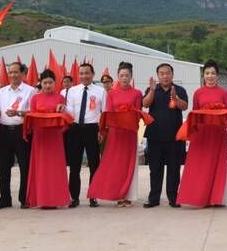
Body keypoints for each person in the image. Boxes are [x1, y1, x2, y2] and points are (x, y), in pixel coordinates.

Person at [177, 60, 227, 207]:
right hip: (202, 133)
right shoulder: (198, 93)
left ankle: (216, 198)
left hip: (217, 132)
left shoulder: (223, 93)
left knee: (216, 164)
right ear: (203, 76)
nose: (210, 76)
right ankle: (199, 197)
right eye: (207, 73)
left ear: (217, 75)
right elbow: (194, 113)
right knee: (200, 165)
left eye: (213, 73)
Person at [89, 62, 144, 207]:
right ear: (117, 77)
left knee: (129, 164)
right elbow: (109, 113)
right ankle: (118, 195)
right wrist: (106, 129)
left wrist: (128, 115)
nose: (124, 78)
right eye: (121, 76)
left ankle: (128, 195)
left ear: (131, 76)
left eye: (127, 75)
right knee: (116, 164)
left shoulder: (137, 93)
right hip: (116, 132)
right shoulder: (111, 94)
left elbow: (138, 113)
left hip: (130, 132)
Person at [142, 63, 188, 208]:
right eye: (161, 73)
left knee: (174, 169)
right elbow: (145, 104)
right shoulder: (151, 89)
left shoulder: (179, 89)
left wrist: (175, 98)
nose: (165, 76)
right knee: (155, 168)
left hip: (174, 136)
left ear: (172, 75)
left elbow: (184, 106)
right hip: (155, 135)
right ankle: (154, 198)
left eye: (167, 73)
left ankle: (173, 198)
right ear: (158, 76)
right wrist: (152, 91)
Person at [0, 60, 36, 209]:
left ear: (23, 73)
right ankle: (5, 199)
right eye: (10, 72)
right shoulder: (2, 91)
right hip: (4, 131)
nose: (13, 75)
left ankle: (24, 199)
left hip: (22, 131)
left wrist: (18, 112)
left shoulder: (30, 91)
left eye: (16, 72)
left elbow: (33, 112)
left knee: (25, 166)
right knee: (3, 167)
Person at [26, 69, 71, 208]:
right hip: (40, 136)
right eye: (44, 83)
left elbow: (64, 115)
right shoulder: (35, 98)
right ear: (41, 83)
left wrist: (62, 109)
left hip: (55, 136)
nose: (47, 85)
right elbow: (31, 116)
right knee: (40, 167)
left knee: (55, 168)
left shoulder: (60, 97)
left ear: (54, 83)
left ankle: (55, 199)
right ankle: (41, 199)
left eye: (50, 82)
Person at [65, 62, 106, 208]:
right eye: (81, 73)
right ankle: (74, 197)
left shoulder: (100, 91)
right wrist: (63, 109)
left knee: (94, 164)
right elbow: (69, 111)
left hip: (92, 130)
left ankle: (93, 196)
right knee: (74, 165)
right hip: (75, 129)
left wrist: (102, 131)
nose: (84, 76)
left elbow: (104, 113)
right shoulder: (72, 91)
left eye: (87, 73)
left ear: (93, 74)